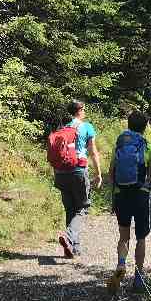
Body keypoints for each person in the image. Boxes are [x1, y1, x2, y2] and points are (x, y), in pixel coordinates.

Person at [107, 110, 151, 293]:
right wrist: (144, 189)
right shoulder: (149, 146)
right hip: (140, 196)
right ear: (145, 127)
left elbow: (110, 173)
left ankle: (121, 264)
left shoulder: (119, 144)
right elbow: (150, 177)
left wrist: (116, 190)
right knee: (141, 237)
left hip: (122, 195)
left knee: (124, 236)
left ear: (128, 125)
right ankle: (138, 277)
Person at [54, 100, 103, 259]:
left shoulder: (61, 128)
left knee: (70, 209)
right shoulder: (87, 127)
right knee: (82, 208)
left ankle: (73, 247)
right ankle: (69, 236)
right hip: (78, 171)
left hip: (61, 172)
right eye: (84, 109)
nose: (85, 112)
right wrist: (99, 174)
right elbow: (93, 152)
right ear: (80, 110)